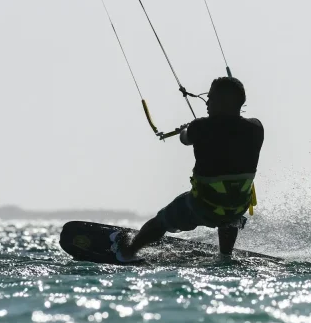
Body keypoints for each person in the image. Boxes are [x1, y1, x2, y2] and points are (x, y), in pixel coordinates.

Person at [111, 76, 264, 262]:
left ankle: (128, 252)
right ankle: (225, 255)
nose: (207, 102)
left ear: (225, 101)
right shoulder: (256, 128)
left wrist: (186, 129)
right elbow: (229, 133)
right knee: (229, 207)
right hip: (237, 207)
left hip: (203, 206)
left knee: (161, 221)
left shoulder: (200, 127)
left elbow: (185, 139)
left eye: (211, 97)